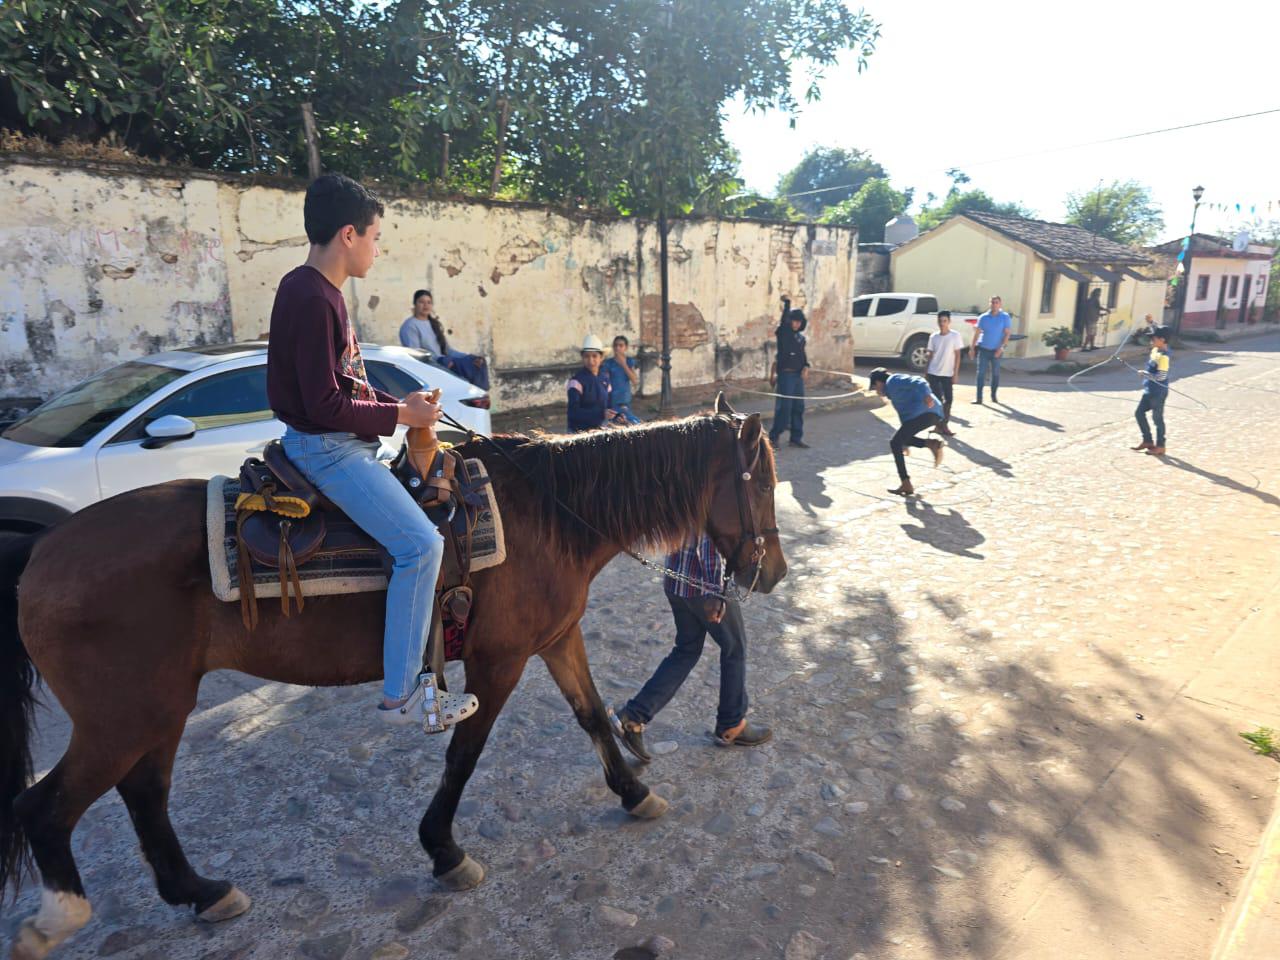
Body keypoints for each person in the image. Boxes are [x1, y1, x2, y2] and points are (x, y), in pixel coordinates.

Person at [268, 173, 478, 730]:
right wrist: (402, 417)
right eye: (375, 237)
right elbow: (324, 404)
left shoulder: (314, 291)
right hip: (328, 451)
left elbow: (347, 387)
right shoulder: (313, 298)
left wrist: (402, 405)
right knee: (422, 546)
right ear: (348, 235)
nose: (377, 249)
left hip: (334, 442)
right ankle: (401, 695)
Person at [608, 533, 772, 760]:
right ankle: (732, 724)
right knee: (734, 649)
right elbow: (709, 543)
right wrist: (717, 592)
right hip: (705, 589)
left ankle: (632, 718)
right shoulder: (710, 505)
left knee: (686, 650)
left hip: (677, 583)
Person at [868, 367, 944, 497]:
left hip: (927, 411)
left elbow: (919, 381)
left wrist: (926, 395)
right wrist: (905, 442)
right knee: (899, 441)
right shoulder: (893, 393)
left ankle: (906, 483)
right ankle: (932, 444)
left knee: (894, 443)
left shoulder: (893, 381)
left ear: (879, 383)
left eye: (875, 387)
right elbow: (905, 418)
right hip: (928, 414)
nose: (876, 392)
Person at [398, 290, 490, 390]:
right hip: (429, 368)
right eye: (421, 302)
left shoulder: (434, 324)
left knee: (477, 362)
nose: (426, 305)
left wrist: (469, 357)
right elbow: (416, 355)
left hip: (443, 363)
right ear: (415, 304)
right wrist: (442, 360)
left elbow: (448, 350)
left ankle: (481, 393)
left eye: (429, 302)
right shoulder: (410, 326)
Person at [769, 295, 810, 448]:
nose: (796, 324)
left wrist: (806, 366)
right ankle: (774, 437)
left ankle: (796, 437)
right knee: (784, 408)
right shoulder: (783, 334)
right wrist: (787, 304)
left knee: (798, 407)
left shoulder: (800, 338)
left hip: (798, 376)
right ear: (790, 321)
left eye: (799, 321)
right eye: (794, 320)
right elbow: (784, 321)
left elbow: (802, 356)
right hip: (786, 375)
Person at [567, 334, 624, 432]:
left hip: (599, 430)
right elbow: (573, 413)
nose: (591, 360)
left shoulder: (605, 380)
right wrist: (601, 414)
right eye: (587, 356)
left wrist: (616, 415)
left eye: (594, 356)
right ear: (582, 357)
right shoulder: (576, 382)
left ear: (601, 358)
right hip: (579, 432)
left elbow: (609, 406)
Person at [1132, 325, 1171, 456]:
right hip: (1149, 390)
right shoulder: (1156, 350)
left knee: (1157, 419)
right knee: (1139, 413)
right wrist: (1151, 322)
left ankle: (1161, 446)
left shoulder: (1164, 357)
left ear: (1162, 340)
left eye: (1154, 339)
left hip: (1158, 392)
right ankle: (1148, 441)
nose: (1151, 341)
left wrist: (1145, 374)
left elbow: (1162, 376)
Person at [924, 310, 964, 436]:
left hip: (947, 373)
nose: (942, 323)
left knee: (949, 400)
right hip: (933, 372)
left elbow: (958, 355)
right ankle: (938, 425)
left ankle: (944, 425)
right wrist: (926, 371)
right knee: (937, 401)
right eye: (940, 321)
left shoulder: (955, 336)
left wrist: (955, 373)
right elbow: (930, 354)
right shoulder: (934, 337)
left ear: (949, 322)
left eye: (945, 321)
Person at [971, 295, 1012, 404]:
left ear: (1000, 304)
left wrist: (1001, 348)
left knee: (995, 374)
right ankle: (979, 398)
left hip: (996, 350)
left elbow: (1007, 334)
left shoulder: (1005, 317)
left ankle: (993, 396)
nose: (994, 305)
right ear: (989, 303)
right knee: (980, 374)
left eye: (996, 302)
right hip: (984, 349)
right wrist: (972, 348)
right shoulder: (983, 317)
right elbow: (977, 333)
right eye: (992, 302)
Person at [602, 335, 642, 424]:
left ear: (626, 348)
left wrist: (623, 364)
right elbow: (605, 383)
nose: (618, 348)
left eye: (621, 345)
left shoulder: (629, 361)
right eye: (615, 345)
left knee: (631, 421)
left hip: (625, 400)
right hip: (612, 400)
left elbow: (634, 380)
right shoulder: (608, 363)